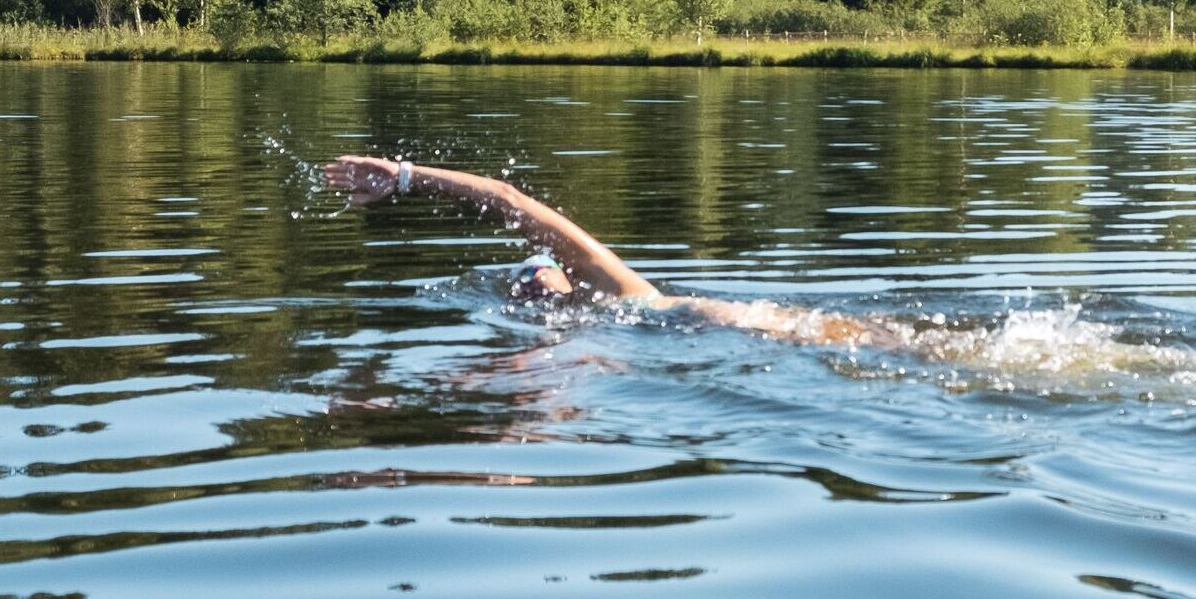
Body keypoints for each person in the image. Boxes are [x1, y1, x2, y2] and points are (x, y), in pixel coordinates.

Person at [323, 156, 910, 349]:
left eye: (544, 268)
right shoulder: (581, 340)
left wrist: (404, 176)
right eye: (533, 277)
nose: (540, 276)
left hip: (746, 324)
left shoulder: (616, 290)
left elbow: (508, 199)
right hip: (739, 336)